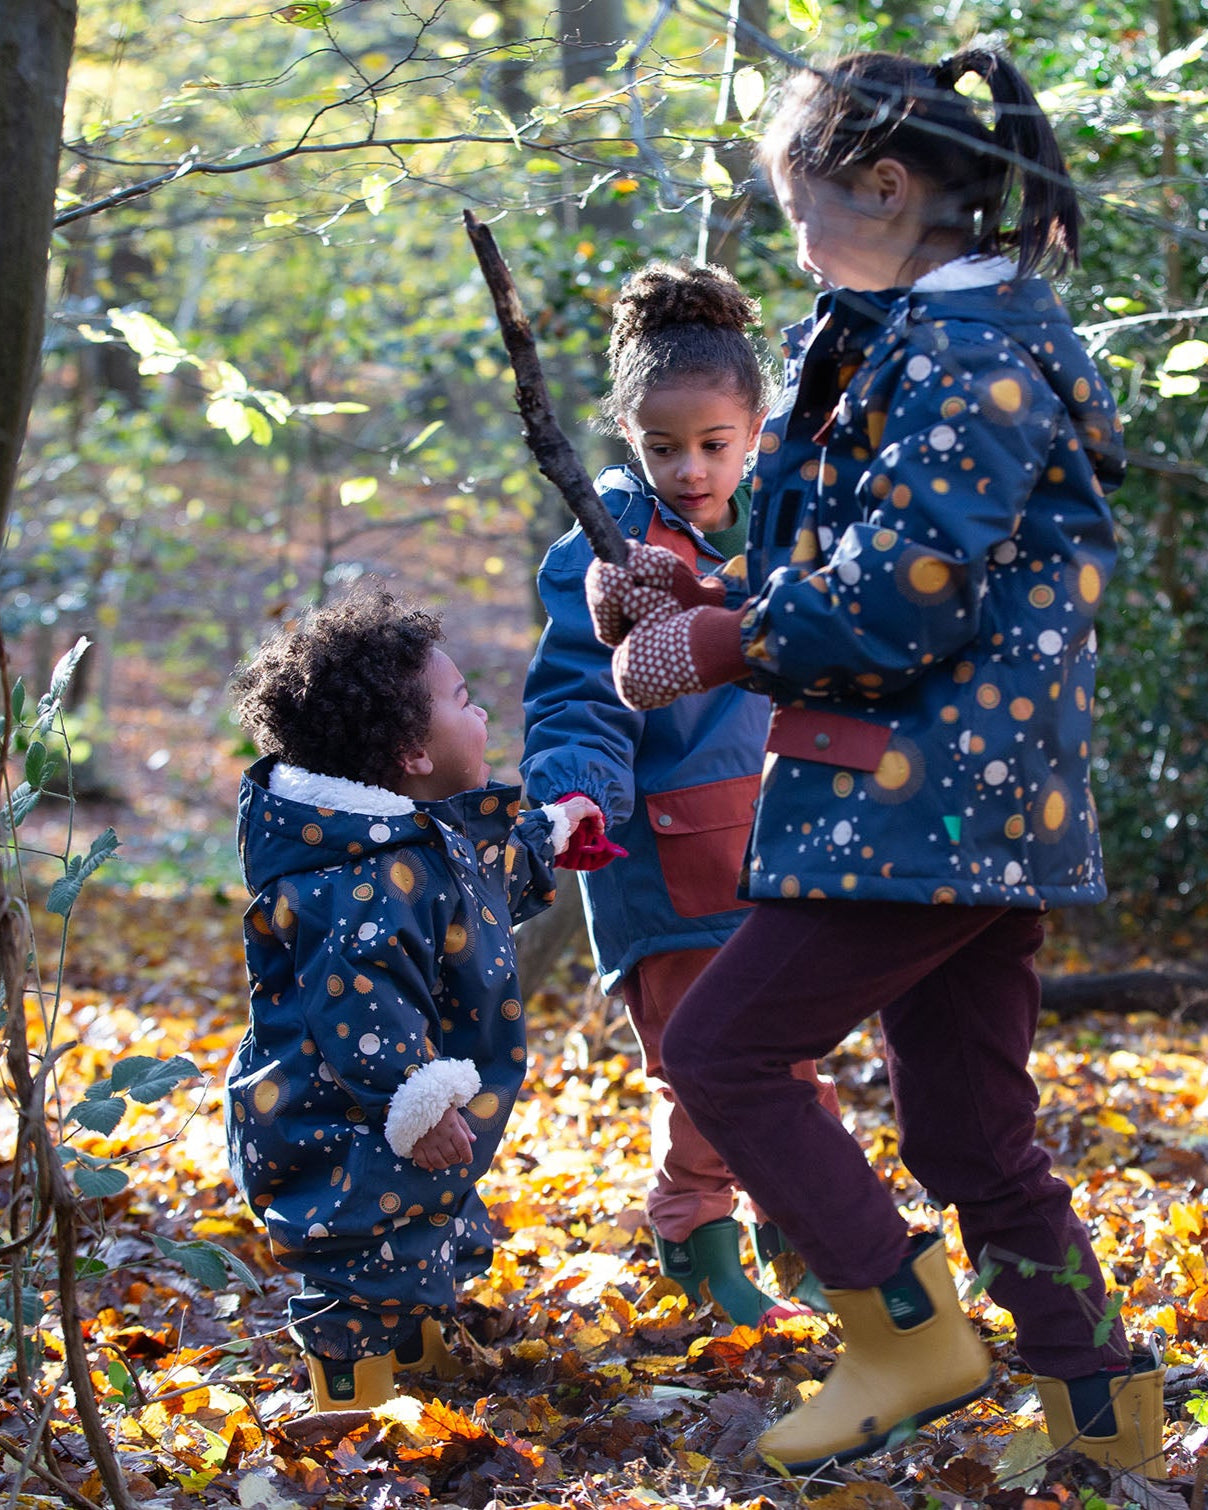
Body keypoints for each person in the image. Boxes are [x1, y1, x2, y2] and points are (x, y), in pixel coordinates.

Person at [585, 49, 1167, 1477]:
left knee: (724, 1046)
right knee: (973, 1127)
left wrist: (719, 648)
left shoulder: (969, 358)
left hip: (924, 803)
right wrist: (695, 598)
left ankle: (903, 1328)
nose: (796, 246)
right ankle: (1104, 1411)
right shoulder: (923, 337)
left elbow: (903, 587)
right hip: (965, 806)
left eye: (802, 211)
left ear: (892, 190)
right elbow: (837, 544)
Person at [522, 261, 839, 1327]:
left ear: (753, 430)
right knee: (705, 1071)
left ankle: (813, 1241)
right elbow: (574, 696)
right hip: (663, 864)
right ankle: (692, 1231)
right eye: (663, 448)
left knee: (784, 1059)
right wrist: (574, 798)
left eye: (712, 445)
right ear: (626, 436)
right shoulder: (608, 554)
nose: (690, 469)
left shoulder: (780, 530)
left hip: (774, 851)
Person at [225, 587, 601, 1412]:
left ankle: (422, 1347)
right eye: (463, 701)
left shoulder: (407, 838)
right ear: (411, 752)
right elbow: (361, 1004)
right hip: (340, 1116)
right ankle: (349, 1405)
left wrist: (550, 832)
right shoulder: (358, 878)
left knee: (430, 1226)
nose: (481, 714)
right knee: (361, 1254)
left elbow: (479, 878)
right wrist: (416, 1100)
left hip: (387, 1110)